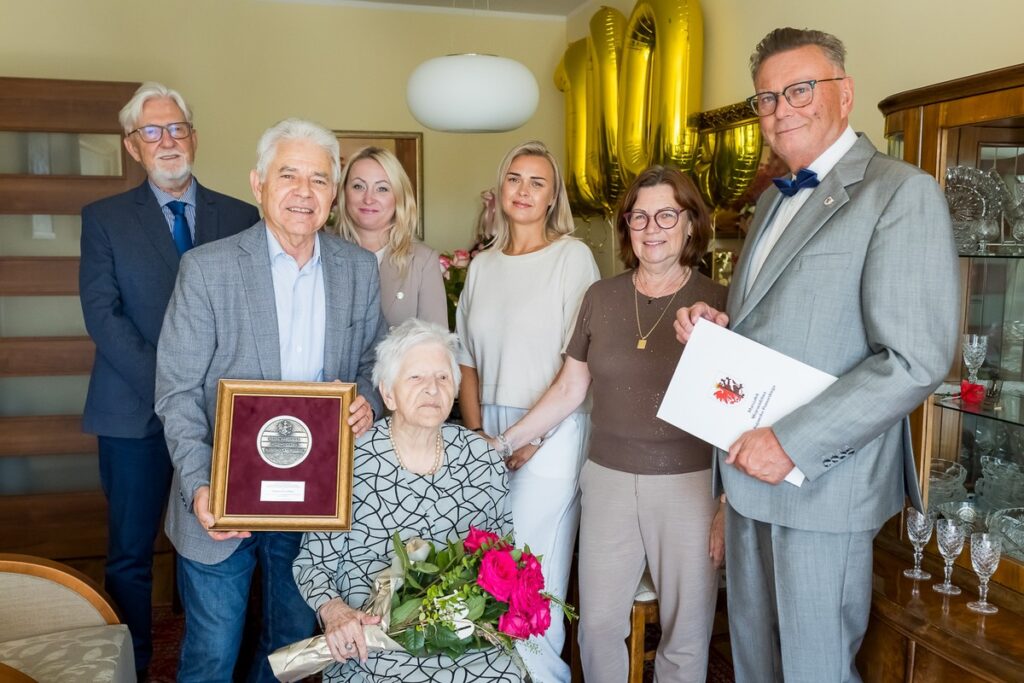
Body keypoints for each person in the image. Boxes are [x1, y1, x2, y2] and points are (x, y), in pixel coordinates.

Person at [674, 28, 959, 682]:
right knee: (753, 665)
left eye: (799, 89)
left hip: (824, 487)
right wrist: (717, 329)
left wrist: (792, 442)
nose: (780, 109)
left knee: (814, 672)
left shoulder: (899, 192)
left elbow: (914, 359)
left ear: (844, 93)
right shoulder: (772, 200)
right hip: (746, 480)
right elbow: (777, 323)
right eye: (767, 98)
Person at [155, 118, 385, 683]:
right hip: (220, 499)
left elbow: (374, 365)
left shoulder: (358, 270)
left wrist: (371, 402)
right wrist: (198, 485)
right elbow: (176, 392)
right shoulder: (207, 269)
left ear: (333, 195)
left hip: (313, 501)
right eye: (288, 175)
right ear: (258, 183)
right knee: (212, 648)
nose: (303, 192)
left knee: (290, 649)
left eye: (319, 179)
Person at [492, 165, 726, 682]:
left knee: (685, 633)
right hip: (607, 479)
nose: (652, 226)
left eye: (667, 214)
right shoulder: (602, 297)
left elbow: (739, 412)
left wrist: (728, 502)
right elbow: (569, 389)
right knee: (596, 627)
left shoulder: (721, 303)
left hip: (689, 486)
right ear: (626, 226)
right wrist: (501, 444)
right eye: (639, 215)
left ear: (690, 224)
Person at [78, 81, 259, 678]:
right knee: (131, 553)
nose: (166, 140)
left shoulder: (241, 216)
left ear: (194, 137)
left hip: (222, 418)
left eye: (176, 127)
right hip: (133, 412)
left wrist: (199, 398)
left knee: (214, 543)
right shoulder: (103, 219)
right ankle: (133, 665)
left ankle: (209, 658)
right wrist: (172, 389)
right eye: (151, 131)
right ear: (133, 146)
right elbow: (103, 316)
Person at [294, 318, 520, 682]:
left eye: (443, 378)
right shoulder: (347, 462)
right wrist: (335, 612)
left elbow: (503, 559)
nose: (432, 389)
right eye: (416, 378)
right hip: (375, 644)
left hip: (465, 642)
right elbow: (312, 564)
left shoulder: (481, 458)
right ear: (387, 393)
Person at [456, 140, 600, 683]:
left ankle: (542, 675)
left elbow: (577, 365)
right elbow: (465, 360)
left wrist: (532, 437)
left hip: (554, 428)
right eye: (515, 178)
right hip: (488, 425)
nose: (523, 190)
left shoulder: (572, 258)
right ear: (500, 190)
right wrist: (475, 437)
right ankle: (492, 673)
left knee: (533, 566)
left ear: (552, 197)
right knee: (485, 562)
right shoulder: (481, 266)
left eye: (537, 182)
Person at [334, 146, 447, 329]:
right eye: (358, 186)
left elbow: (436, 344)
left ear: (399, 196)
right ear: (343, 192)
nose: (368, 198)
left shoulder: (422, 261)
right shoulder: (321, 252)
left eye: (382, 189)